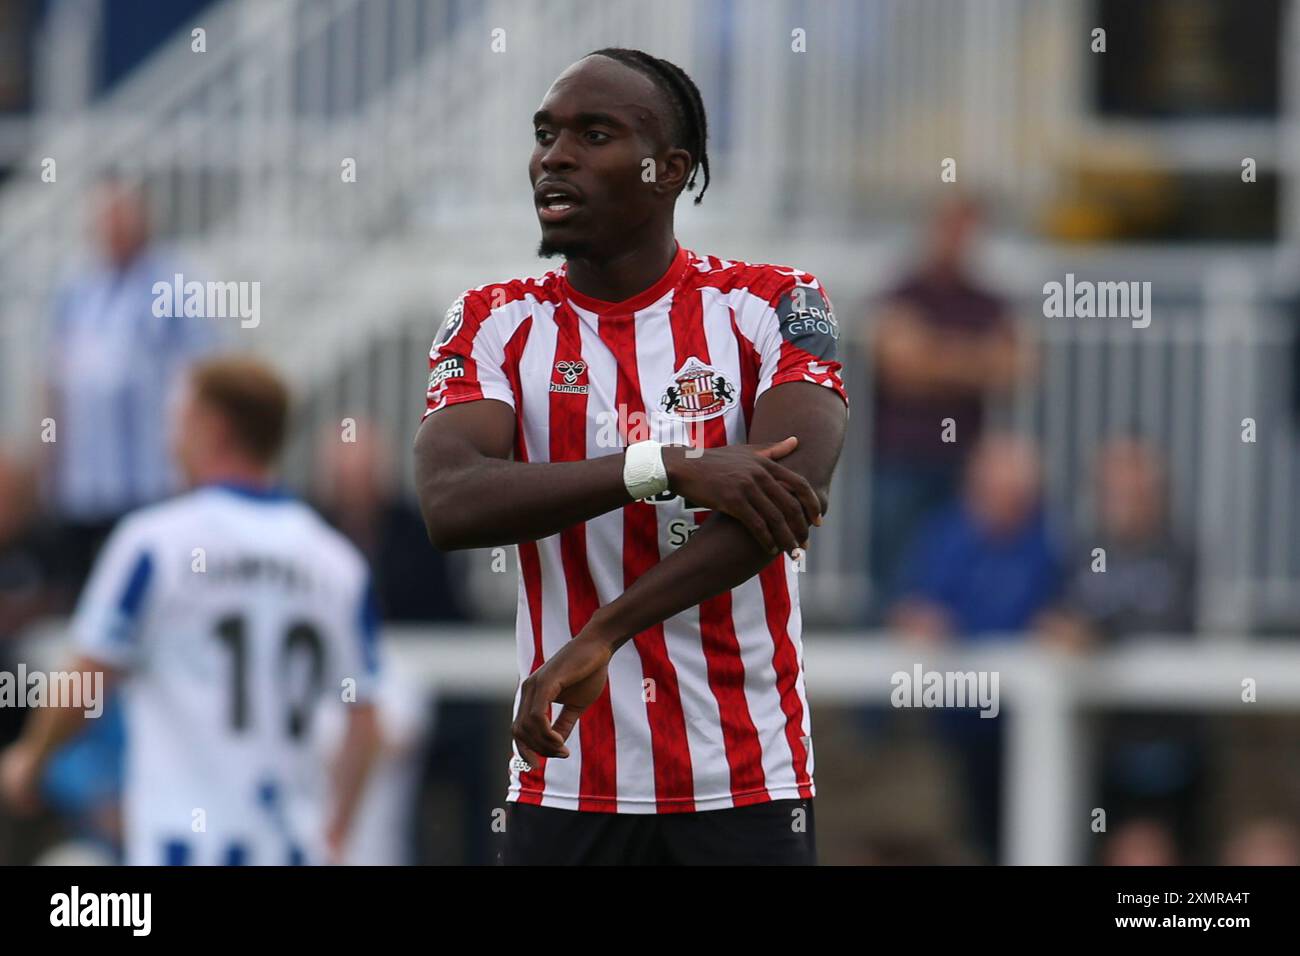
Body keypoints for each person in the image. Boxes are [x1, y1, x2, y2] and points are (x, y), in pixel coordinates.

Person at [413, 49, 848, 865]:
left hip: (746, 781)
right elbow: (450, 500)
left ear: (669, 170)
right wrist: (665, 465)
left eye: (594, 133)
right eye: (546, 135)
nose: (555, 156)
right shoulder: (492, 321)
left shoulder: (774, 304)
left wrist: (602, 633)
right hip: (565, 783)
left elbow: (788, 497)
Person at [0, 357, 381, 865]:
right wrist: (335, 832)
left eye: (179, 417)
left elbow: (89, 677)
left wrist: (32, 759)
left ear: (213, 427)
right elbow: (367, 719)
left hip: (182, 847)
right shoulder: (337, 563)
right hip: (290, 849)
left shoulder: (154, 544)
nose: (170, 436)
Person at [42, 176, 219, 590]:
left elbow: (202, 372)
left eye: (122, 216)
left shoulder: (176, 283)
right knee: (89, 588)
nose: (114, 227)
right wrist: (50, 455)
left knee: (152, 587)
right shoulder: (76, 288)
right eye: (106, 218)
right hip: (86, 482)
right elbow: (54, 377)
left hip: (150, 478)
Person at [868, 198, 1029, 609]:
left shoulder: (988, 301)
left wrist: (934, 355)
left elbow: (1017, 367)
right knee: (895, 576)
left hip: (966, 463)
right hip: (902, 460)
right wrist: (976, 360)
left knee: (959, 578)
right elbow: (903, 368)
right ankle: (889, 661)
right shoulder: (902, 293)